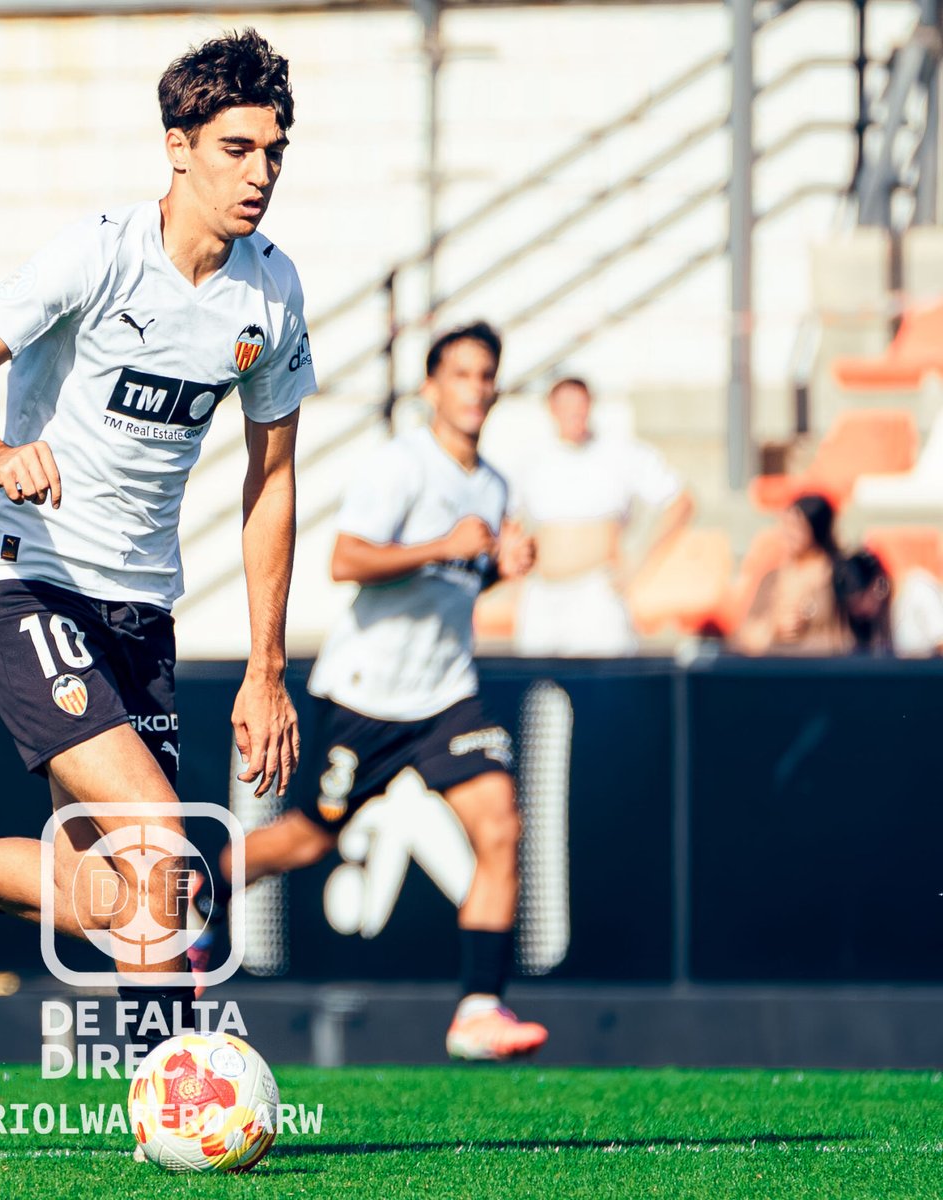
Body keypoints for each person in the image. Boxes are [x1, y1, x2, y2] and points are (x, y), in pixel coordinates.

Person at [0, 30, 315, 1056]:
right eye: (236, 149)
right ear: (177, 148)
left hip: (140, 611)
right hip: (23, 585)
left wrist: (266, 668)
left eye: (273, 152)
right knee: (166, 845)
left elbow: (272, 480)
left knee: (122, 899)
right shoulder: (100, 255)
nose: (259, 174)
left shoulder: (270, 292)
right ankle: (181, 1094)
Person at [196, 321, 549, 1061]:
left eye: (486, 375)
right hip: (365, 698)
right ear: (431, 387)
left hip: (447, 695)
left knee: (501, 828)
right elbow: (346, 559)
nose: (476, 389)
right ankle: (207, 890)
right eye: (461, 374)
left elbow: (461, 578)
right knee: (308, 840)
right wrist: (445, 546)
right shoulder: (402, 464)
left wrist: (499, 567)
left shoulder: (494, 483)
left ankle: (478, 1011)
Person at [508, 377, 693, 656]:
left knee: (606, 679)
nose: (574, 412)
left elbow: (681, 502)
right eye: (566, 405)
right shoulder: (532, 460)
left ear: (590, 405)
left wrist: (639, 563)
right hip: (542, 596)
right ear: (552, 409)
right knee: (537, 681)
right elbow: (507, 520)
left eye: (580, 404)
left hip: (596, 594)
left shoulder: (621, 453)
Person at [731, 492, 848, 656]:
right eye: (787, 526)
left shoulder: (839, 576)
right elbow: (745, 635)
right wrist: (772, 628)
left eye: (797, 527)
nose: (788, 534)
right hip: (776, 663)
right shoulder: (772, 579)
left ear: (815, 529)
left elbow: (848, 637)